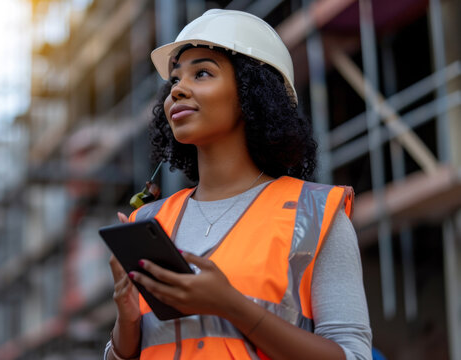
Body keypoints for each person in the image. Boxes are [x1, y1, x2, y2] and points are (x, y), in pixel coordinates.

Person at [105, 9, 372, 360]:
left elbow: (353, 355)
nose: (178, 90)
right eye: (174, 80)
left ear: (253, 94)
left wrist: (232, 306)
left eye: (202, 73)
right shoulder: (149, 223)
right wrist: (126, 324)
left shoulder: (315, 216)